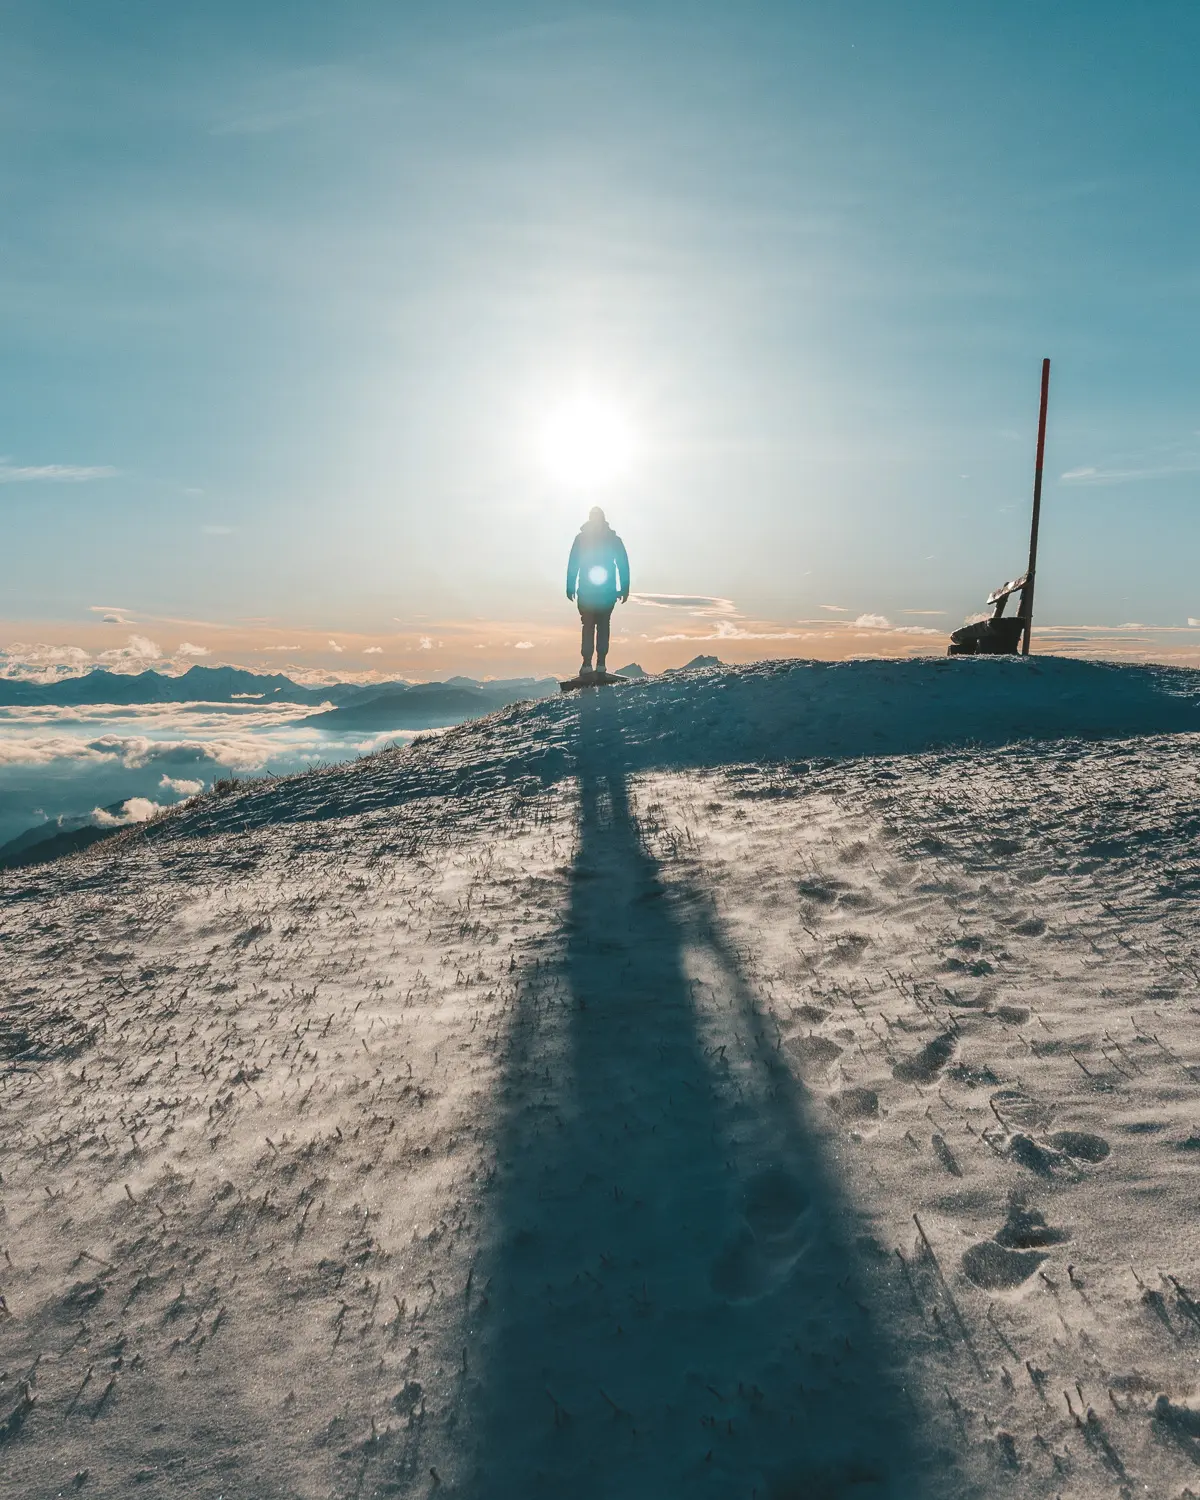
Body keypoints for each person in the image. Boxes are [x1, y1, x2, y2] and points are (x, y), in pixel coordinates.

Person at [565, 506, 630, 678]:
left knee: (591, 625)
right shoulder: (611, 539)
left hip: (591, 590)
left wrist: (570, 586)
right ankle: (597, 663)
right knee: (600, 625)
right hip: (602, 591)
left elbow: (574, 563)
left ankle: (592, 663)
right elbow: (622, 564)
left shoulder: (583, 539)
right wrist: (624, 587)